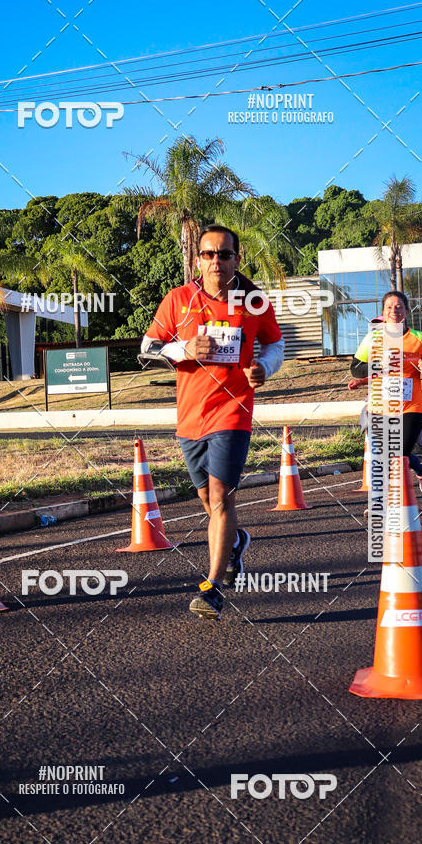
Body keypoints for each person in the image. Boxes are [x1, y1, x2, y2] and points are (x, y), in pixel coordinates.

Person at [142, 224, 284, 620]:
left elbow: (275, 342)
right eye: (208, 254)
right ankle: (237, 541)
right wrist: (185, 348)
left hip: (234, 410)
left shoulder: (253, 301)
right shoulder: (178, 299)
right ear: (197, 259)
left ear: (237, 259)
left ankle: (212, 588)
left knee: (221, 496)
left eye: (224, 254)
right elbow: (147, 347)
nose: (216, 261)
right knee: (208, 501)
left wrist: (265, 368)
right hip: (190, 416)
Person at [350, 290, 422, 496]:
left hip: (412, 406)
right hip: (379, 408)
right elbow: (356, 367)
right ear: (383, 312)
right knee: (384, 454)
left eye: (399, 306)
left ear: (407, 311)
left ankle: (388, 500)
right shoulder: (373, 338)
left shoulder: (419, 339)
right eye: (390, 307)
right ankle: (420, 473)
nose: (395, 310)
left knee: (399, 453)